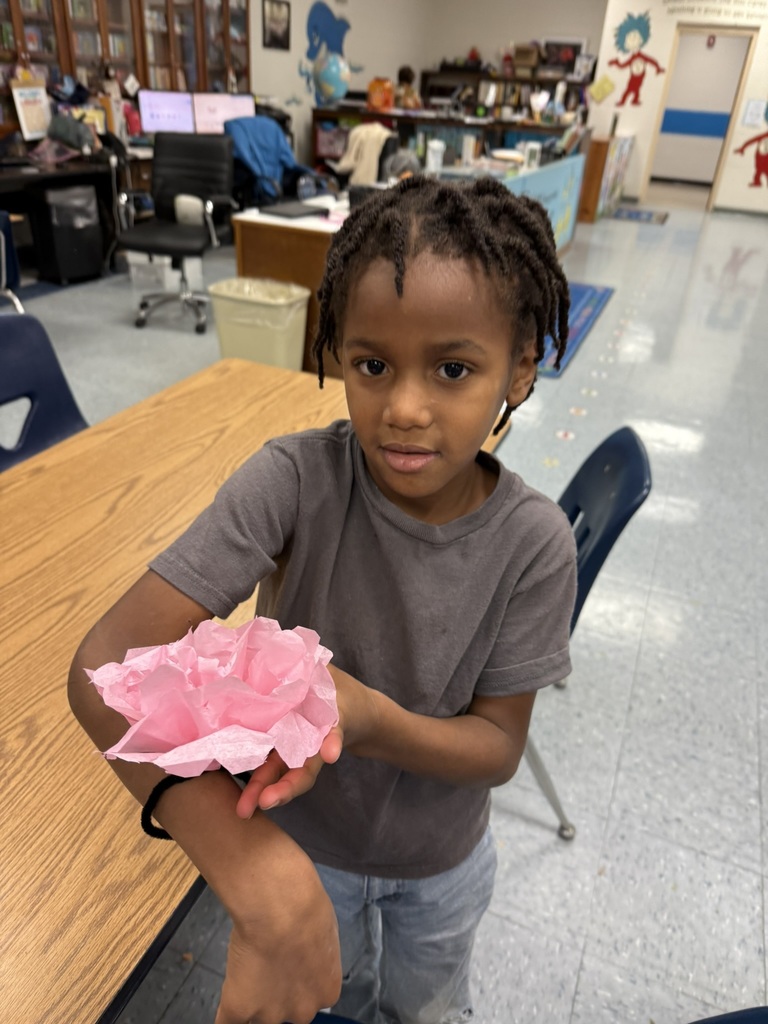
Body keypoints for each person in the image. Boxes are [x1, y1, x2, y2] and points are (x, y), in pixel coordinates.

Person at [68, 175, 577, 1024]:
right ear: (335, 350)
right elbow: (99, 667)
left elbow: (496, 748)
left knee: (425, 1005)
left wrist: (369, 717)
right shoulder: (294, 480)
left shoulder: (533, 544)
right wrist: (248, 863)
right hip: (302, 849)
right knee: (322, 1004)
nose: (404, 408)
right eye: (372, 364)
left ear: (520, 371)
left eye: (453, 369)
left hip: (441, 866)